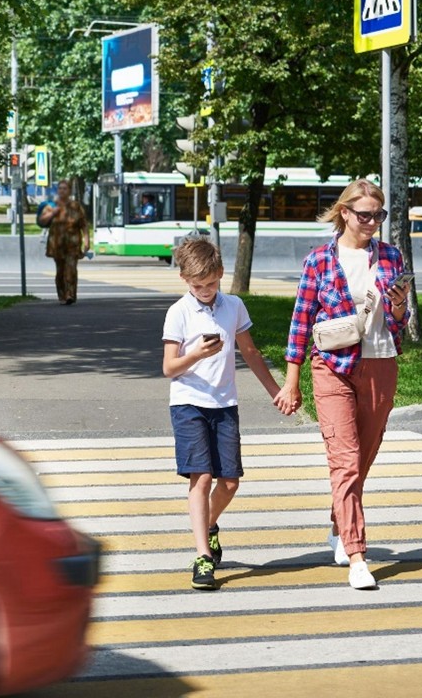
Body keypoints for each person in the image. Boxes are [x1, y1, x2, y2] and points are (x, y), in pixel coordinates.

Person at [273, 179, 412, 590]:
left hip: (380, 363)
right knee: (345, 461)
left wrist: (399, 303)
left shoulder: (391, 256)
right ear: (345, 213)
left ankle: (339, 522)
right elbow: (301, 321)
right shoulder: (320, 260)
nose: (372, 222)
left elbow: (399, 322)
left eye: (378, 215)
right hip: (332, 365)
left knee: (362, 460)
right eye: (365, 215)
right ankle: (357, 556)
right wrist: (292, 381)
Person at [163, 237, 294, 590]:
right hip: (188, 402)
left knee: (231, 482)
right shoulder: (178, 312)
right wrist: (196, 355)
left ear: (221, 272)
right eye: (197, 286)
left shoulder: (234, 305)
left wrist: (277, 392)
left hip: (224, 404)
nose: (205, 291)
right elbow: (169, 367)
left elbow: (250, 352)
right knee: (201, 478)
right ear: (184, 280)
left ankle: (209, 523)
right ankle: (203, 557)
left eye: (210, 282)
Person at [41, 179, 90, 305]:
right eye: (60, 188)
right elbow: (43, 221)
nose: (62, 191)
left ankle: (70, 295)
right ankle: (62, 295)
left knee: (71, 269)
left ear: (69, 191)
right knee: (60, 271)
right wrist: (53, 213)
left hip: (73, 243)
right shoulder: (51, 205)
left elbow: (84, 224)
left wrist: (86, 241)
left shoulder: (76, 206)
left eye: (65, 188)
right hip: (57, 243)